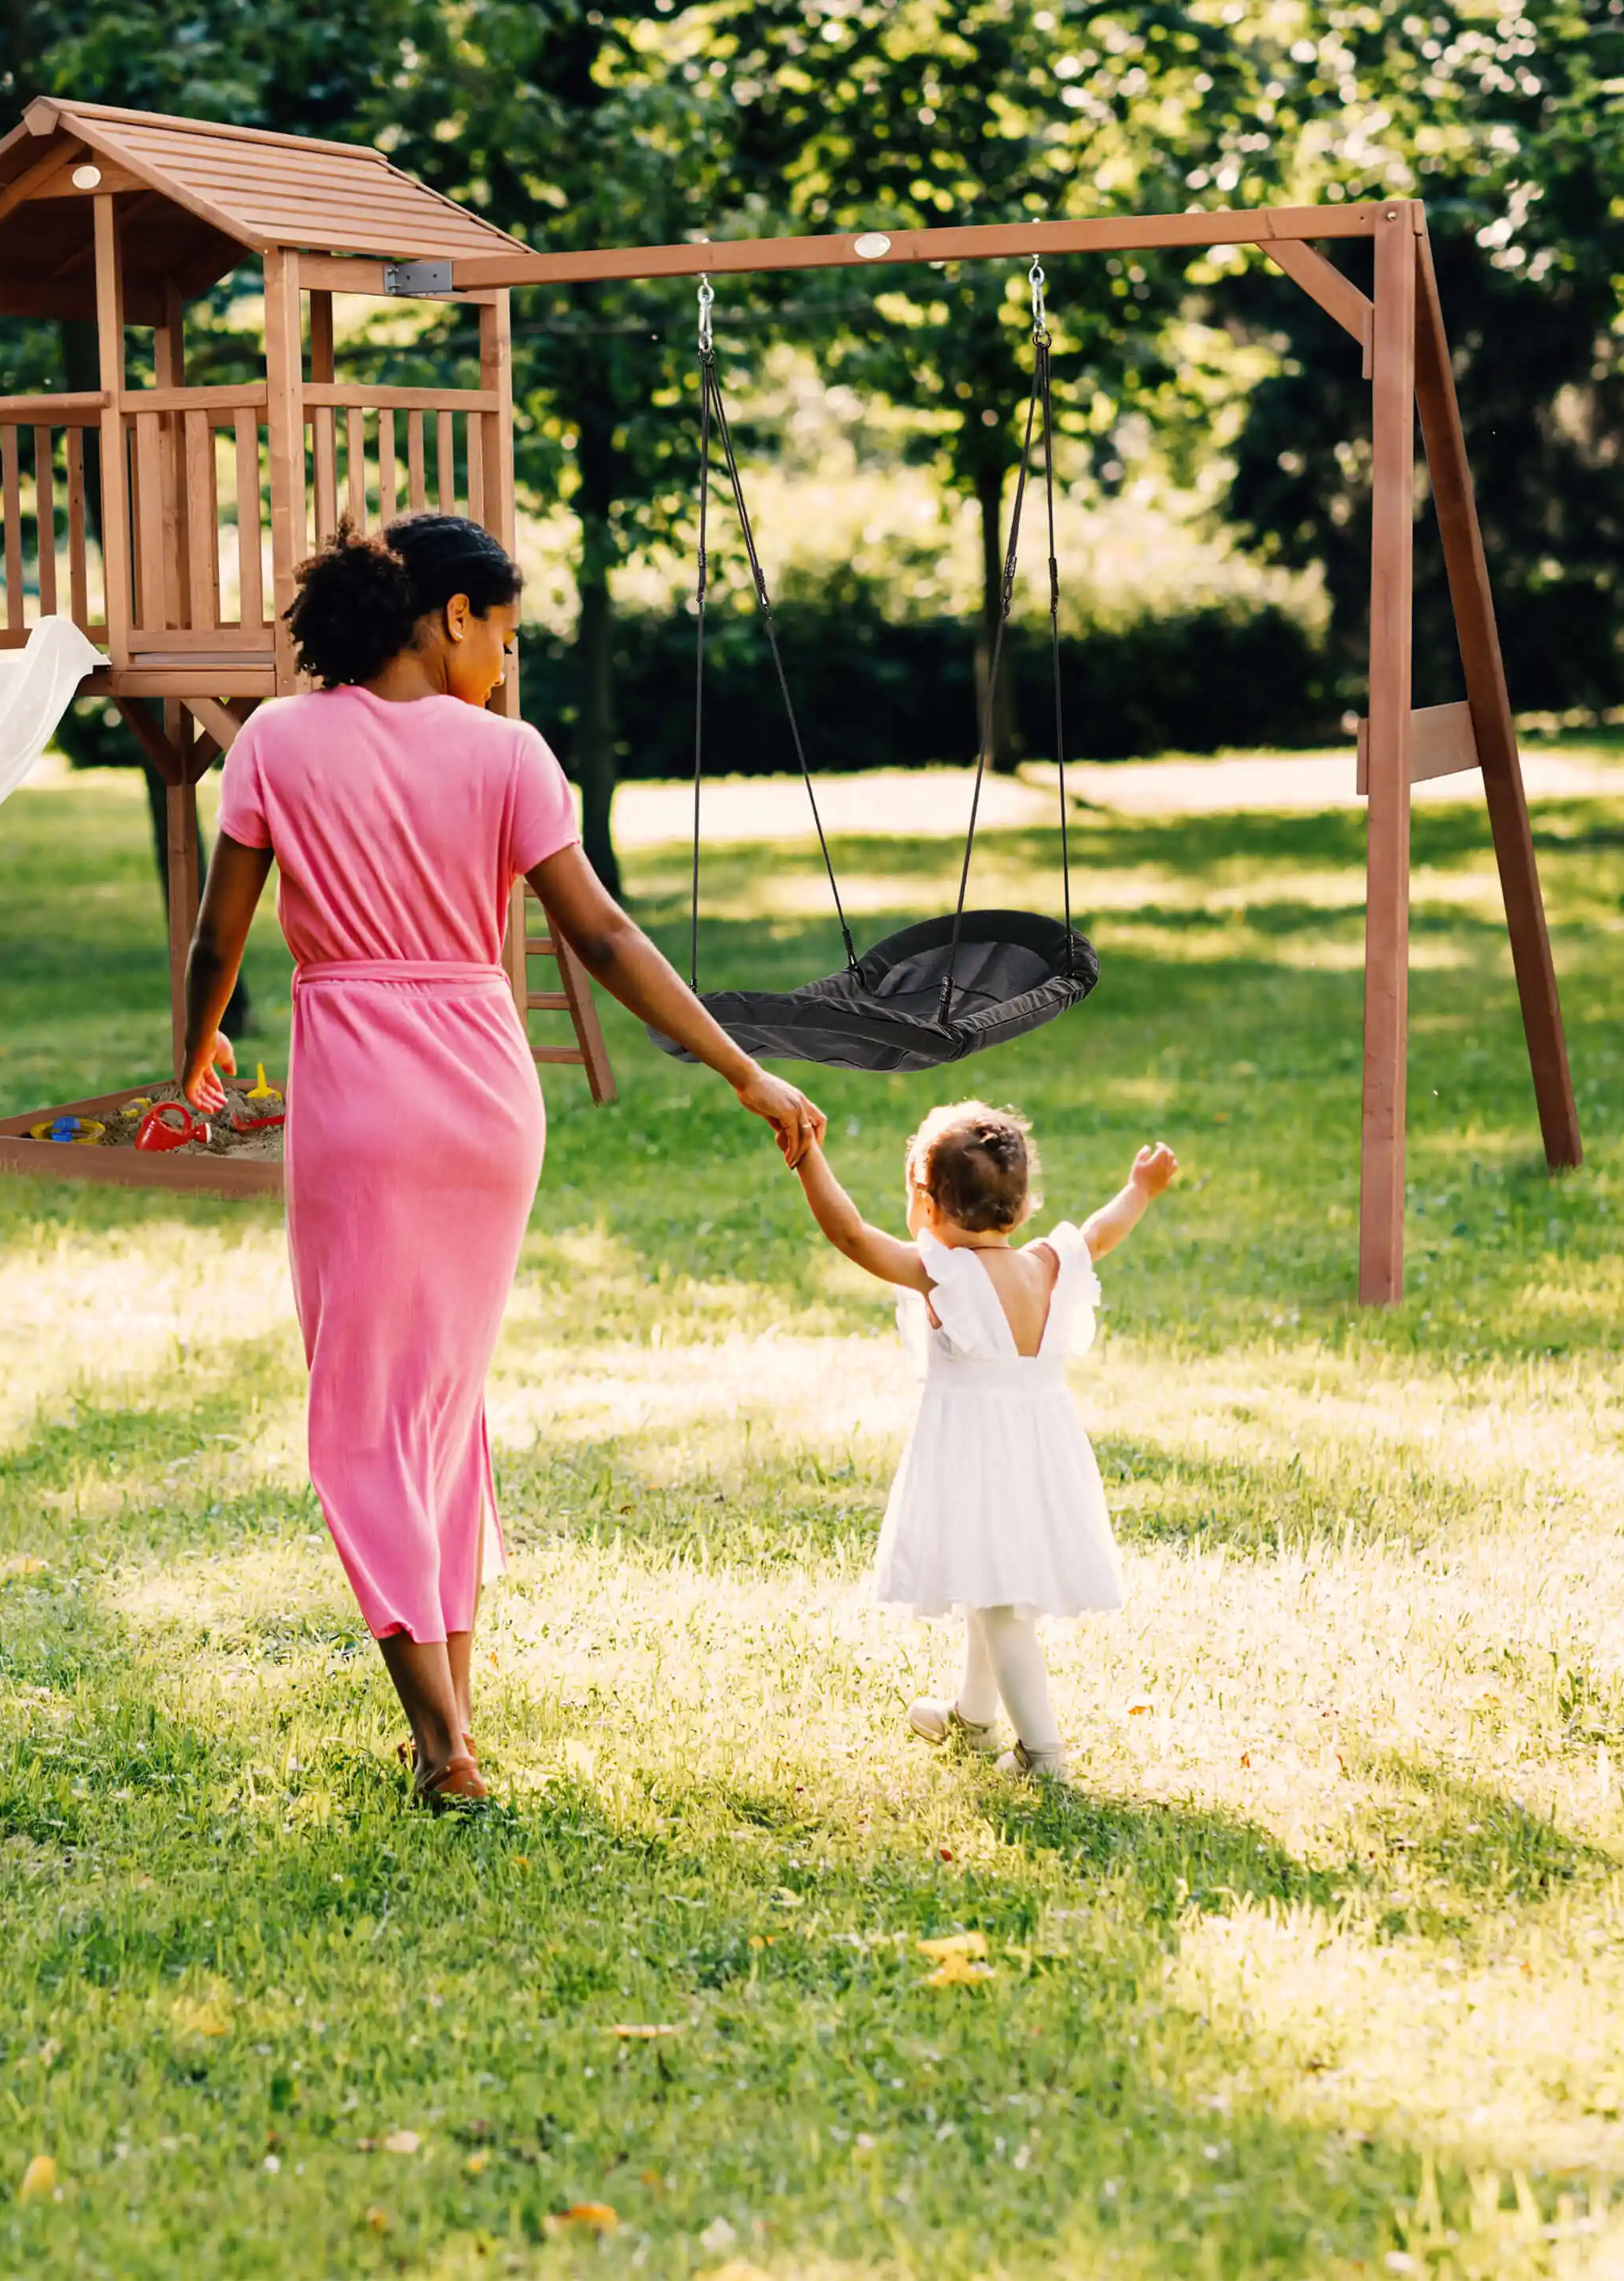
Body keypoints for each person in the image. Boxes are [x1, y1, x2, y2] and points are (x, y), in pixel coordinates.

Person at [178, 513, 825, 1809]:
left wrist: (191, 1057)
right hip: (485, 1098)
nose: (508, 668)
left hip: (360, 1099)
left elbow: (218, 938)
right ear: (451, 616)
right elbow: (603, 937)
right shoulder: (511, 758)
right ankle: (453, 1721)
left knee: (366, 1417)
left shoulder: (275, 743)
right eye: (506, 636)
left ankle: (439, 1743)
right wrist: (742, 1066)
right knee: (440, 1407)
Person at [789, 1101, 1180, 1782]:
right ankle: (973, 1718)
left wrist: (807, 1157)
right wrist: (1139, 1190)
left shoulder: (943, 1274)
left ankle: (1043, 1753)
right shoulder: (1049, 1263)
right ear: (1022, 1206)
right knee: (986, 1578)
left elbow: (851, 1235)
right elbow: (1100, 1231)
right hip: (1039, 1452)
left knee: (1000, 1604)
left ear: (927, 1202)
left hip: (977, 1456)